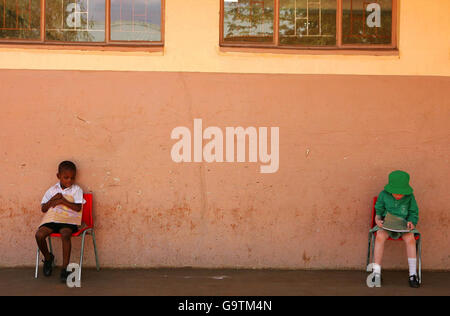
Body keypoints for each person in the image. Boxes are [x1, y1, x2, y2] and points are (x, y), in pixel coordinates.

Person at [35, 161, 85, 283]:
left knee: (65, 234)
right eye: (66, 177)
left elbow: (78, 208)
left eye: (72, 178)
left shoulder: (76, 190)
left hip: (68, 221)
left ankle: (65, 268)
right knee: (39, 235)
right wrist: (53, 199)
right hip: (52, 220)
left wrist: (63, 201)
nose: (69, 180)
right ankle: (48, 258)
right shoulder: (52, 190)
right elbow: (43, 209)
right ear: (58, 176)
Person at [371, 170, 420, 288]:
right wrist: (378, 220)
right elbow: (378, 210)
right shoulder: (383, 194)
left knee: (411, 239)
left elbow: (414, 212)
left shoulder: (410, 197)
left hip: (403, 225)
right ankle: (376, 272)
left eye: (401, 193)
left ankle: (413, 274)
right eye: (395, 193)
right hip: (387, 224)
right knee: (379, 237)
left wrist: (412, 223)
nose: (398, 195)